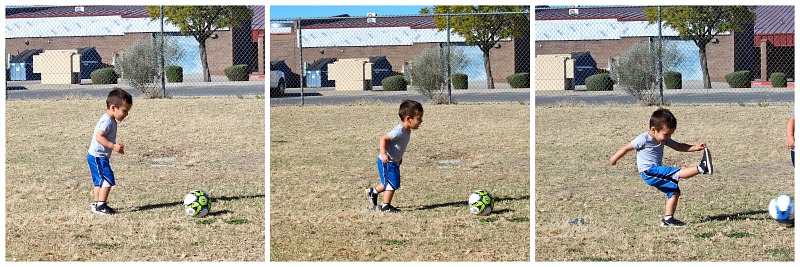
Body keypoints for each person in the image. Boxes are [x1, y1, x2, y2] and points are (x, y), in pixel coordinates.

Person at [609, 108, 713, 227]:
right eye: (666, 134)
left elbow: (678, 146)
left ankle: (668, 220)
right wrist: (614, 159)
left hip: (654, 171)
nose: (668, 137)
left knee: (674, 191)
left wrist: (694, 147)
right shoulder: (643, 139)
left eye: (671, 134)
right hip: (648, 171)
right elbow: (626, 148)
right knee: (675, 172)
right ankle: (702, 168)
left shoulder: (663, 138)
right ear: (654, 130)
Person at [365, 99, 424, 213]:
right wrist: (383, 154)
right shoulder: (399, 131)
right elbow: (383, 138)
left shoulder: (407, 130)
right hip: (387, 161)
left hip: (394, 161)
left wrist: (399, 157)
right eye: (418, 118)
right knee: (393, 183)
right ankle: (386, 206)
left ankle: (373, 192)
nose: (421, 121)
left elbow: (397, 145)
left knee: (388, 182)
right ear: (408, 119)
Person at [87, 88, 133, 215]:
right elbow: (99, 137)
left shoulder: (111, 120)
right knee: (108, 180)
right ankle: (101, 205)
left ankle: (97, 204)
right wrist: (113, 146)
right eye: (124, 111)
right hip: (98, 157)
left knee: (99, 182)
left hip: (96, 156)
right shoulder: (107, 121)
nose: (126, 114)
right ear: (113, 108)